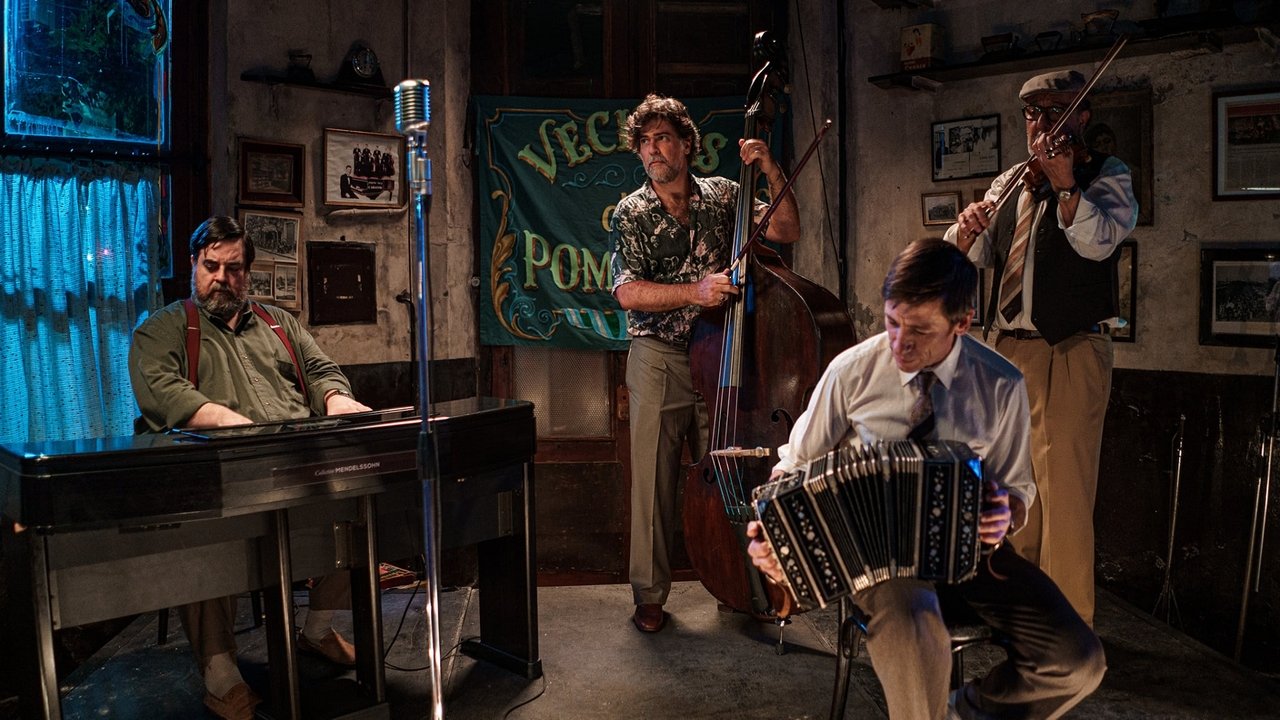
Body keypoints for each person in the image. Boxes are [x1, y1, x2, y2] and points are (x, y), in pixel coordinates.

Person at [747, 239, 1104, 720]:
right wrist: (772, 530)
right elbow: (793, 465)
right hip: (879, 564)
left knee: (1077, 660)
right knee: (913, 622)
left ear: (962, 322)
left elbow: (1017, 489)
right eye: (892, 322)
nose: (899, 343)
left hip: (975, 559)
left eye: (919, 330)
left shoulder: (1001, 383)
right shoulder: (851, 372)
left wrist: (1005, 513)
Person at [129, 216, 372, 720]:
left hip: (296, 466)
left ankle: (316, 630)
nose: (221, 278)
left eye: (234, 268)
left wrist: (336, 398)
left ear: (248, 271)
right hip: (218, 476)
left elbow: (321, 368)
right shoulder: (163, 329)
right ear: (193, 265)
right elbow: (163, 391)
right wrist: (235, 425)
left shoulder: (281, 323)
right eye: (210, 266)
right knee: (200, 533)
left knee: (358, 509)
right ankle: (221, 672)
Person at [945, 69, 1138, 626]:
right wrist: (965, 229)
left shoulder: (1107, 173)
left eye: (1057, 111)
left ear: (1082, 116)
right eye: (1034, 114)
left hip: (1073, 346)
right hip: (1008, 347)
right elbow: (967, 254)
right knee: (1012, 484)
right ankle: (1021, 616)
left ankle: (1069, 629)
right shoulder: (1012, 179)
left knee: (1066, 493)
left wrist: (1066, 185)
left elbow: (1100, 242)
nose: (1043, 123)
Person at [610, 93, 800, 633]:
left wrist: (770, 168)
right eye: (645, 142)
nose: (653, 150)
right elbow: (626, 292)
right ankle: (650, 595)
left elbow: (787, 230)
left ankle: (736, 582)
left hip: (724, 356)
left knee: (731, 471)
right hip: (661, 357)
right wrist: (695, 291)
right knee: (653, 482)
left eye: (663, 138)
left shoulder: (725, 196)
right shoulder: (631, 212)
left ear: (687, 144)